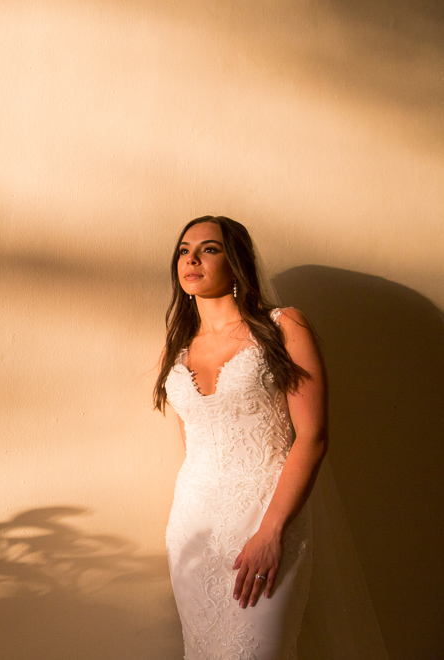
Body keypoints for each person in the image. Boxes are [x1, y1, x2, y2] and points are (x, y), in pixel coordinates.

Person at [153, 216, 327, 659]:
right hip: (194, 525)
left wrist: (271, 532)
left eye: (209, 249)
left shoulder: (284, 327)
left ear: (237, 262)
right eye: (184, 249)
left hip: (268, 517)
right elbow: (192, 443)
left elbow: (313, 436)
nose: (191, 258)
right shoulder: (176, 347)